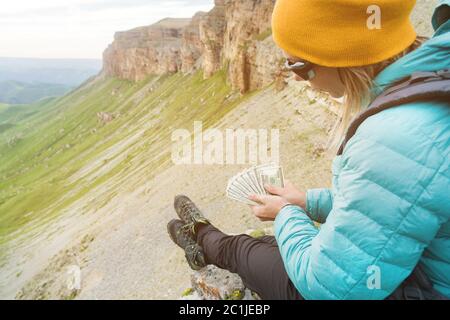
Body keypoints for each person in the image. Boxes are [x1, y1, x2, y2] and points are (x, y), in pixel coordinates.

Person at [167, 0, 450, 300]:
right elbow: (399, 202)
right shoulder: (430, 80)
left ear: (342, 55)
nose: (296, 78)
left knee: (255, 253)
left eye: (298, 65)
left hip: (423, 288)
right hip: (426, 269)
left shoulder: (391, 138)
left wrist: (286, 212)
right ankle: (205, 239)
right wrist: (306, 203)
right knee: (272, 248)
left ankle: (204, 237)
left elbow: (328, 287)